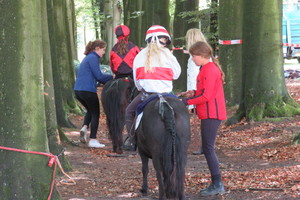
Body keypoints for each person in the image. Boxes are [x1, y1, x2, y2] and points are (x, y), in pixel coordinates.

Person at [124, 25, 181, 151]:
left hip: (147, 94)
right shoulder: (167, 54)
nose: (165, 42)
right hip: (167, 94)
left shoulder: (140, 55)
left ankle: (132, 140)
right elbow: (177, 74)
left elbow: (137, 82)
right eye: (164, 39)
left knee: (129, 111)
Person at [181, 41, 227, 196]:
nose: (193, 59)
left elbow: (207, 96)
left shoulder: (209, 70)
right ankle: (216, 182)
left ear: (201, 55)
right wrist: (192, 93)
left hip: (212, 113)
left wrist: (187, 102)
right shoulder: (206, 68)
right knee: (207, 148)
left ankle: (217, 183)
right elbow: (204, 92)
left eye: (194, 56)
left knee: (208, 148)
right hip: (209, 112)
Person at [74, 40, 113, 148]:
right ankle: (93, 139)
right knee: (96, 113)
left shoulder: (87, 58)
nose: (104, 52)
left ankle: (84, 127)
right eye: (103, 49)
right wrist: (112, 77)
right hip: (88, 90)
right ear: (97, 48)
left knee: (90, 110)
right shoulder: (93, 58)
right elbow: (99, 76)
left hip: (78, 90)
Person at [185, 28, 209, 155]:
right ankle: (203, 144)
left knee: (200, 119)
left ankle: (203, 144)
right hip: (196, 89)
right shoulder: (201, 55)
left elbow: (195, 76)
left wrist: (193, 93)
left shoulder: (194, 58)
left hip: (197, 90)